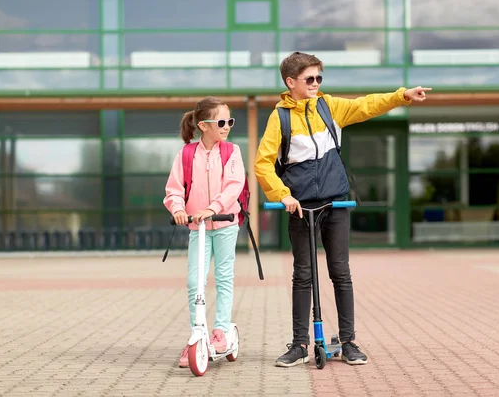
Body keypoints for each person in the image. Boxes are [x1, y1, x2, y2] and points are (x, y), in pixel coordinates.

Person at [254, 51, 431, 367]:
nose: (316, 83)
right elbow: (263, 164)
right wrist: (283, 195)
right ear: (290, 82)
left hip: (336, 202)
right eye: (310, 79)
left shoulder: (329, 106)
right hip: (300, 206)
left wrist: (401, 96)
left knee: (340, 272)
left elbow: (366, 105)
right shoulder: (279, 117)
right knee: (303, 275)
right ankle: (299, 344)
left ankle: (348, 341)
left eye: (320, 78)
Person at [164, 96, 246, 368]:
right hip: (197, 227)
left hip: (224, 224)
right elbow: (174, 188)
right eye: (221, 122)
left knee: (223, 277)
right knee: (194, 282)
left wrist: (213, 208)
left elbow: (234, 185)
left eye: (230, 121)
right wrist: (177, 207)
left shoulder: (231, 151)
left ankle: (220, 330)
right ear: (203, 125)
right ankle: (197, 332)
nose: (227, 126)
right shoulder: (186, 154)